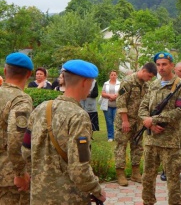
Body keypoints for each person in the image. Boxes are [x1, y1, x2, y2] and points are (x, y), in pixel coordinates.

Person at [21, 59, 106, 204]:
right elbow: (80, 169)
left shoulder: (41, 108)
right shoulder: (79, 116)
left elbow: (25, 150)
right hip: (69, 198)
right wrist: (98, 190)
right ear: (85, 82)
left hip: (39, 196)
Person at [138, 52, 181, 205]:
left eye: (164, 64)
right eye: (158, 65)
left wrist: (154, 119)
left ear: (171, 65)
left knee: (173, 180)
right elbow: (142, 108)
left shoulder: (180, 84)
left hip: (170, 141)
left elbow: (180, 112)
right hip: (151, 140)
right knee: (147, 177)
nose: (161, 68)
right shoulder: (152, 85)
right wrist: (150, 124)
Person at [114, 62, 157, 186]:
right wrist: (125, 121)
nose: (150, 79)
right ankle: (120, 173)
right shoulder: (128, 82)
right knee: (121, 146)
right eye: (149, 76)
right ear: (143, 71)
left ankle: (135, 172)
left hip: (139, 121)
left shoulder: (146, 85)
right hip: (125, 120)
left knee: (137, 146)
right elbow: (121, 101)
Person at [0, 52, 34, 204]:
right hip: (8, 176)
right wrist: (20, 172)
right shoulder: (20, 100)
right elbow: (17, 138)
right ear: (29, 74)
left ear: (5, 71)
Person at [160, 61, 181, 182]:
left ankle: (175, 170)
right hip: (171, 119)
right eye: (180, 71)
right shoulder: (169, 82)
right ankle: (165, 171)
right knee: (169, 145)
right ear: (175, 70)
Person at [101, 70, 121, 142]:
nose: (113, 76)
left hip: (117, 105)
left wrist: (115, 97)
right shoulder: (106, 83)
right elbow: (103, 93)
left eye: (114, 75)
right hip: (107, 105)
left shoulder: (120, 83)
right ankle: (110, 136)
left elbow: (122, 92)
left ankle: (117, 135)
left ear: (117, 76)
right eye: (112, 75)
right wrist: (109, 96)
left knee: (117, 121)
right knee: (109, 121)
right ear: (110, 76)